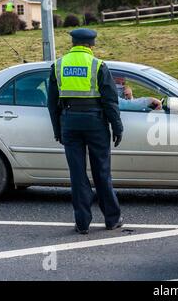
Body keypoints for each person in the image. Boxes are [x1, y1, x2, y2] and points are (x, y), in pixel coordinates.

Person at [47, 28, 124, 235]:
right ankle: (112, 219)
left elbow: (52, 103)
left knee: (77, 174)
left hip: (69, 123)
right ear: (91, 45)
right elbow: (110, 101)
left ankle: (82, 223)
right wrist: (117, 127)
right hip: (96, 123)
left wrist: (58, 130)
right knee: (102, 172)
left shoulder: (58, 66)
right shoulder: (98, 65)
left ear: (72, 44)